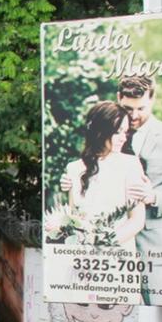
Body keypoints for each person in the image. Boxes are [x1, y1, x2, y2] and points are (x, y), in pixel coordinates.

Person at [116, 75, 162, 304]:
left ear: (153, 100)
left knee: (158, 319)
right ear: (118, 98)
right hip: (115, 248)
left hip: (155, 249)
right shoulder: (107, 134)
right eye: (127, 109)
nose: (134, 116)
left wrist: (154, 197)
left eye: (141, 109)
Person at [63, 101, 146, 253]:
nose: (123, 138)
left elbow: (137, 220)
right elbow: (73, 217)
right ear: (100, 131)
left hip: (118, 255)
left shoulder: (131, 165)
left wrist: (103, 244)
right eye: (117, 132)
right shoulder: (74, 168)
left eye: (125, 132)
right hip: (82, 257)